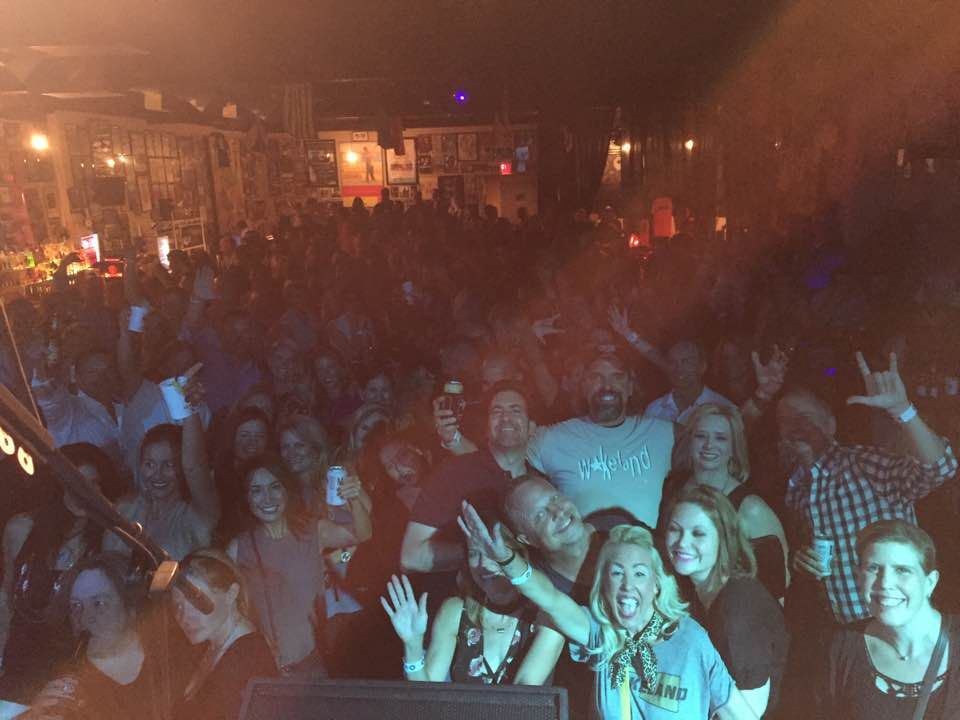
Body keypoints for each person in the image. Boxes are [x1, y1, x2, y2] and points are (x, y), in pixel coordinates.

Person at [459, 504, 759, 719]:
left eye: (639, 573)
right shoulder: (603, 634)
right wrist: (507, 561)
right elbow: (550, 599)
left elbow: (738, 713)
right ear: (603, 585)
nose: (627, 585)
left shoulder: (690, 640)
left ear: (657, 585)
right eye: (616, 573)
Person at [783, 352, 957, 626]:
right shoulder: (795, 488)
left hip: (898, 619)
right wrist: (802, 558)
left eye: (804, 417)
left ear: (830, 425)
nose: (795, 427)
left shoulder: (862, 464)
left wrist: (903, 410)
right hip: (847, 630)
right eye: (785, 420)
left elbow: (940, 468)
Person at [226, 457, 371, 675]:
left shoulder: (312, 532)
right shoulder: (238, 548)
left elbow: (363, 534)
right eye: (256, 490)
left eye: (275, 487)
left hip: (314, 664)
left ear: (287, 490)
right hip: (266, 670)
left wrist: (355, 500)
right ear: (247, 498)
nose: (267, 498)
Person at [0, 445, 117, 702]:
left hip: (70, 675)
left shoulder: (107, 541)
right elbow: (6, 600)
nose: (84, 493)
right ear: (59, 484)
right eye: (76, 483)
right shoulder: (21, 528)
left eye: (93, 484)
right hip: (17, 667)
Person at [663, 486, 788, 718]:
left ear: (723, 539)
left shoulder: (739, 607)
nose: (682, 542)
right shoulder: (697, 591)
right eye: (674, 530)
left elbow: (748, 715)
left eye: (698, 533)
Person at [381, 536, 565, 685]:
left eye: (492, 552)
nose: (483, 563)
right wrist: (413, 645)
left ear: (518, 554)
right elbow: (426, 699)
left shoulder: (547, 616)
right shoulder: (455, 610)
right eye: (474, 553)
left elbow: (523, 701)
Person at [825, 520, 960, 719]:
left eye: (902, 570)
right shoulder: (841, 648)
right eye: (873, 568)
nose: (885, 583)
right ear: (858, 577)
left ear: (930, 582)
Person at [526, 350, 674, 529]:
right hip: (581, 546)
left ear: (630, 387)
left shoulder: (664, 434)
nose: (607, 385)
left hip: (644, 545)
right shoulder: (551, 438)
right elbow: (509, 462)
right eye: (596, 377)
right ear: (584, 386)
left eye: (617, 377)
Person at [402, 382, 534, 574]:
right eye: (497, 411)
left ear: (532, 428)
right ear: (487, 428)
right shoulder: (455, 473)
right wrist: (479, 550)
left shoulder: (541, 483)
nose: (506, 417)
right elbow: (410, 557)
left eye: (516, 410)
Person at [667, 404, 789, 598]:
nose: (709, 445)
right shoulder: (674, 489)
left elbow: (778, 587)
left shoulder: (751, 508)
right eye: (701, 436)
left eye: (720, 438)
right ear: (689, 441)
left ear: (734, 447)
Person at [22, 553, 161, 720]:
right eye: (76, 606)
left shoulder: (166, 659)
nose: (84, 618)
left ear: (130, 606)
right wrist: (32, 716)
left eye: (99, 603)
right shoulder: (51, 670)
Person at [103, 406, 219, 561]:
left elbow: (195, 466)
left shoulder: (198, 514)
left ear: (182, 467)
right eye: (150, 464)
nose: (157, 474)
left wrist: (187, 406)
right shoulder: (124, 509)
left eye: (169, 465)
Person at [172, 548, 276, 720]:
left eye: (196, 602)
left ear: (231, 594)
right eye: (178, 605)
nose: (184, 617)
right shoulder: (209, 644)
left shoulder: (249, 657)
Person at [643, 339, 736, 424]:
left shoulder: (724, 408)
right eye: (672, 362)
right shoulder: (654, 409)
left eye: (686, 361)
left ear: (702, 366)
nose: (678, 368)